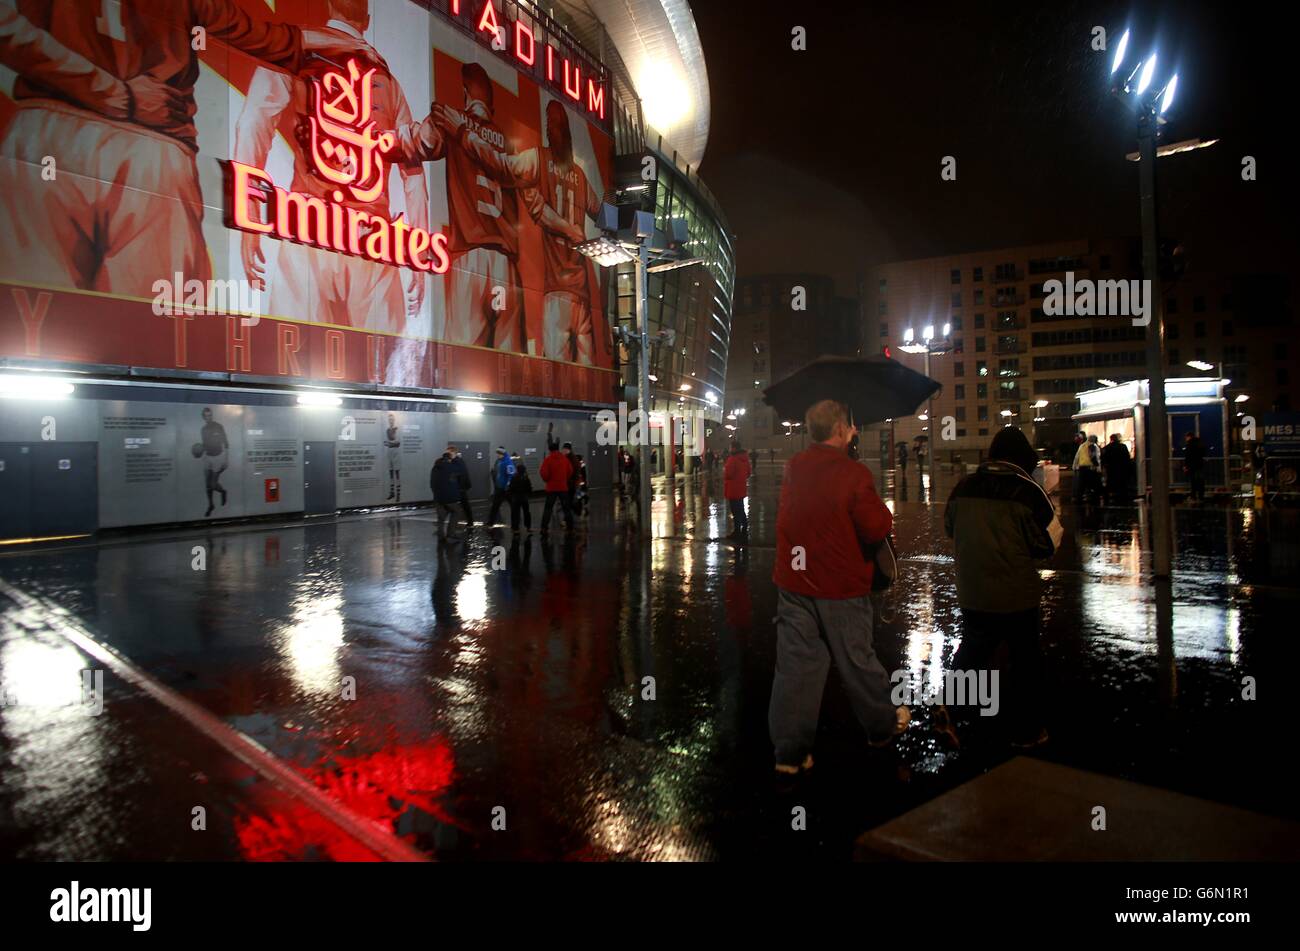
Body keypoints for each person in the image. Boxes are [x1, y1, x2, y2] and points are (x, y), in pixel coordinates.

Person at [768, 399, 907, 777]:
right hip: (840, 584)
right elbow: (875, 527)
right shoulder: (854, 474)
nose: (855, 431)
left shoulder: (795, 467)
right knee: (857, 659)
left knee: (796, 667)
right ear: (841, 430)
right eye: (851, 426)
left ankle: (790, 754)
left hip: (795, 581)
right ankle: (881, 726)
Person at [944, 427, 1061, 748]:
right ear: (1023, 459)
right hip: (1016, 594)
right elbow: (1049, 543)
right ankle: (1026, 730)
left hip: (972, 591)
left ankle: (955, 714)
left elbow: (949, 527)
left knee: (971, 652)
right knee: (1024, 660)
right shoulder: (1028, 491)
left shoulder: (963, 487)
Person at [199, 407, 229, 518]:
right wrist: (199, 450)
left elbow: (226, 443)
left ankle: (223, 492)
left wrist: (226, 459)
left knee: (213, 484)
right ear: (203, 417)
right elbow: (205, 445)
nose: (208, 417)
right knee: (207, 484)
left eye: (210, 415)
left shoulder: (219, 427)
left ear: (212, 416)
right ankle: (211, 505)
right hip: (207, 457)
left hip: (218, 457)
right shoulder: (203, 429)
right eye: (206, 416)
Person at [539, 441, 574, 533]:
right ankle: (570, 527)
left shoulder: (548, 459)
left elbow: (544, 473)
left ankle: (544, 527)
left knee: (548, 509)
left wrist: (547, 480)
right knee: (566, 508)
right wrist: (564, 479)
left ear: (550, 450)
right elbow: (570, 471)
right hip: (563, 487)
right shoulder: (564, 459)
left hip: (551, 488)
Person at [430, 451, 462, 540]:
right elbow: (460, 470)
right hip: (449, 497)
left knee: (441, 517)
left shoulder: (435, 468)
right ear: (449, 459)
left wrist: (435, 493)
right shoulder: (451, 467)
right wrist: (457, 459)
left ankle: (441, 535)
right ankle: (451, 533)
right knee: (456, 512)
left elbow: (432, 483)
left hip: (438, 497)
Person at [724, 440, 751, 541]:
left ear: (734, 448)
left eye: (730, 447)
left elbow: (729, 474)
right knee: (741, 509)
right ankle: (744, 526)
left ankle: (737, 532)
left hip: (733, 489)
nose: (730, 449)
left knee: (735, 511)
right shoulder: (745, 458)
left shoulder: (732, 459)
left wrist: (725, 470)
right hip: (741, 488)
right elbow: (748, 473)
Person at [445, 445, 473, 528]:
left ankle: (453, 523)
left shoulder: (456, 462)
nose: (447, 454)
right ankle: (470, 522)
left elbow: (458, 475)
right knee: (465, 505)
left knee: (457, 505)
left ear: (453, 452)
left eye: (448, 453)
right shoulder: (460, 461)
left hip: (459, 487)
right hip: (461, 487)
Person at [487, 446, 515, 526]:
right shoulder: (500, 461)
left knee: (512, 506)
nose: (497, 455)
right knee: (495, 505)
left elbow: (511, 475)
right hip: (499, 487)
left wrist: (507, 486)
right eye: (497, 454)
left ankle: (515, 522)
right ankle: (490, 522)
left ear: (503, 453)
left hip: (506, 489)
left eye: (499, 454)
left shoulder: (508, 462)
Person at [1100, 433, 1131, 505]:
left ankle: (1109, 498)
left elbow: (1103, 459)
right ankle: (1123, 498)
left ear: (1111, 439)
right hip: (1121, 469)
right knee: (1122, 484)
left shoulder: (1106, 448)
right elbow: (1127, 457)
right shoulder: (1123, 446)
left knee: (1110, 483)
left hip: (1111, 469)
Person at [1072, 431, 1101, 504]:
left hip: (1082, 468)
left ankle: (1079, 498)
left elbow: (1077, 457)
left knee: (1081, 484)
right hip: (1091, 468)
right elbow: (1095, 457)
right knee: (1093, 484)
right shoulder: (1093, 446)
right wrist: (1098, 467)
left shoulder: (1082, 446)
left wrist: (1074, 466)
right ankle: (1093, 498)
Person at [508, 462, 534, 532]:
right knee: (526, 512)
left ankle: (515, 527)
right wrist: (529, 494)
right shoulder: (525, 477)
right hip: (524, 497)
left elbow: (510, 488)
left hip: (516, 498)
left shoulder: (514, 477)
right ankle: (528, 527)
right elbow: (529, 488)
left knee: (515, 513)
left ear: (517, 470)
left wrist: (511, 495)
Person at [383, 413, 402, 503]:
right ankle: (392, 492)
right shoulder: (387, 430)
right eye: (389, 419)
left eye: (392, 419)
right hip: (389, 452)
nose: (391, 421)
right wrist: (390, 443)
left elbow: (398, 443)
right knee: (390, 472)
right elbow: (385, 443)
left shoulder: (397, 429)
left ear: (394, 420)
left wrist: (390, 443)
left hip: (395, 452)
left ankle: (398, 493)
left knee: (396, 472)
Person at [1183, 431, 1207, 502]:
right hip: (1199, 464)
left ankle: (1193, 496)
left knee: (1193, 481)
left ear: (1189, 437)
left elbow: (1188, 456)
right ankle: (1201, 496)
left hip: (1192, 466)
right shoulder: (1200, 443)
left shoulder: (1189, 444)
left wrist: (1185, 466)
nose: (1185, 439)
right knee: (1200, 481)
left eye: (1186, 437)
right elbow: (1203, 453)